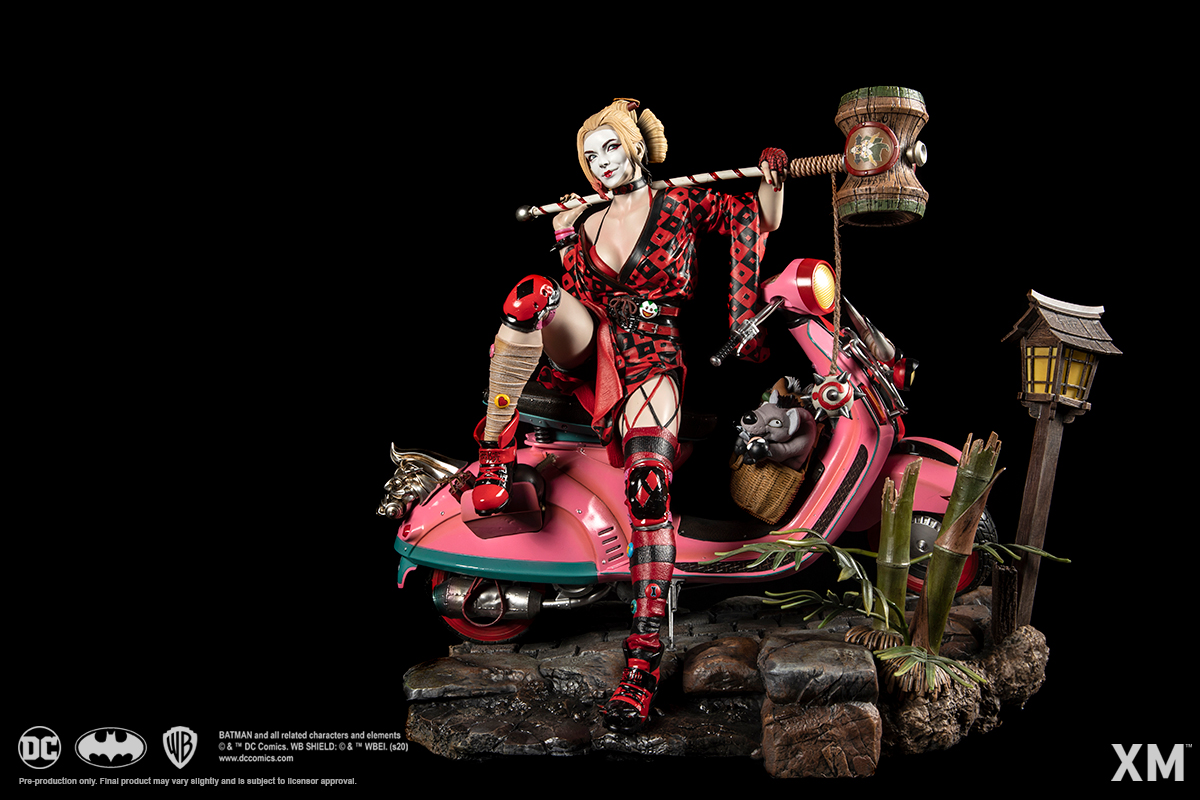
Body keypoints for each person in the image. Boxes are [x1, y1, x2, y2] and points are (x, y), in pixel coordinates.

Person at [471, 98, 786, 732]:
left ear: (636, 147)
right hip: (590, 344)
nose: (601, 163)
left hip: (652, 352)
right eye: (590, 156)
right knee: (530, 296)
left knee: (648, 489)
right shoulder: (584, 217)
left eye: (610, 147)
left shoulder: (681, 202)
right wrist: (567, 232)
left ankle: (642, 660)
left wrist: (773, 182)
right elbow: (576, 294)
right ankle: (493, 455)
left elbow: (757, 220)